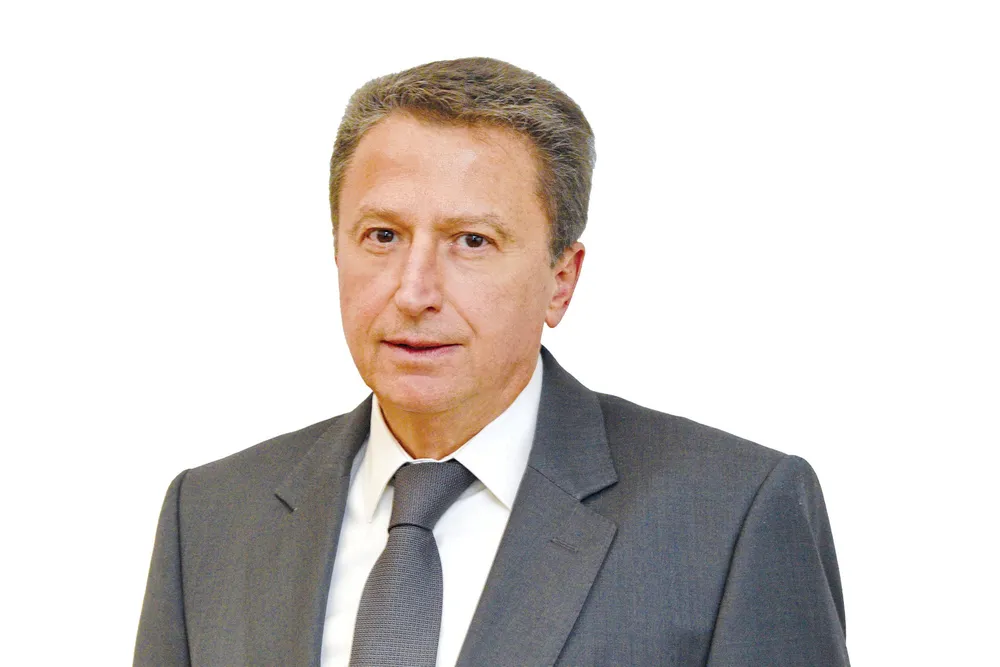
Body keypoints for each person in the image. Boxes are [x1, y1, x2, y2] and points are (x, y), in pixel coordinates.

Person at [134, 57, 849, 667]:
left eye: (471, 241)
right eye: (382, 235)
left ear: (561, 280)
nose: (414, 291)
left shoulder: (732, 516)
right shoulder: (210, 518)